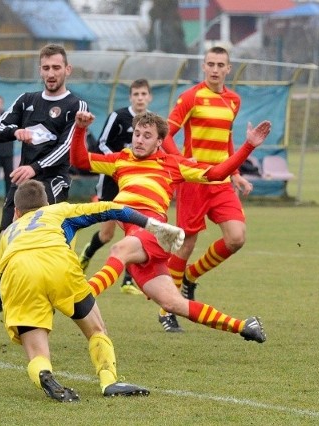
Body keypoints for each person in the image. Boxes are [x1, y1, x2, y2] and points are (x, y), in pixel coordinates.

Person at [0, 180, 185, 402]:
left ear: (16, 211)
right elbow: (111, 209)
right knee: (96, 329)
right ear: (46, 204)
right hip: (59, 264)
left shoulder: (8, 235)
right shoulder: (59, 211)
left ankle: (45, 374)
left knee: (37, 354)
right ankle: (108, 381)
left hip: (20, 274)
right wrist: (152, 225)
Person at [70, 110, 269, 343]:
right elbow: (80, 160)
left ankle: (83, 297)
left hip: (152, 231)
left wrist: (248, 146)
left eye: (147, 136)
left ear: (159, 142)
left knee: (118, 251)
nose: (139, 140)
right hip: (137, 238)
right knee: (173, 303)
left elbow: (217, 173)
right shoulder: (120, 159)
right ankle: (245, 326)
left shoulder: (173, 164)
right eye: (137, 134)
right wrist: (80, 129)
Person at [158, 46, 255, 331]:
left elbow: (226, 140)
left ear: (228, 68)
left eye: (220, 64)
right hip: (194, 181)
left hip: (221, 182)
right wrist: (179, 160)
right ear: (203, 67)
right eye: (210, 64)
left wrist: (235, 173)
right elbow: (166, 132)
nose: (215, 69)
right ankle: (167, 308)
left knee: (236, 238)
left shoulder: (233, 101)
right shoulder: (190, 97)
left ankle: (190, 277)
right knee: (186, 243)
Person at [0, 43, 88, 232]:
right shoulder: (26, 100)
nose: (51, 74)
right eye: (46, 68)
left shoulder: (76, 105)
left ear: (67, 70)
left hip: (53, 180)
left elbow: (65, 147)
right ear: (40, 71)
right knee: (8, 234)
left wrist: (34, 168)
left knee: (42, 235)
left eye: (56, 67)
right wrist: (15, 132)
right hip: (23, 178)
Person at [78, 78, 153, 296]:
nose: (140, 98)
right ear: (130, 97)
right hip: (113, 179)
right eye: (136, 94)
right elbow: (101, 142)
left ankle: (128, 281)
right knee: (107, 234)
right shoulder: (118, 117)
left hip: (137, 182)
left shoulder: (152, 122)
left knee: (136, 231)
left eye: (143, 94)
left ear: (149, 97)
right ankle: (87, 254)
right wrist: (118, 162)